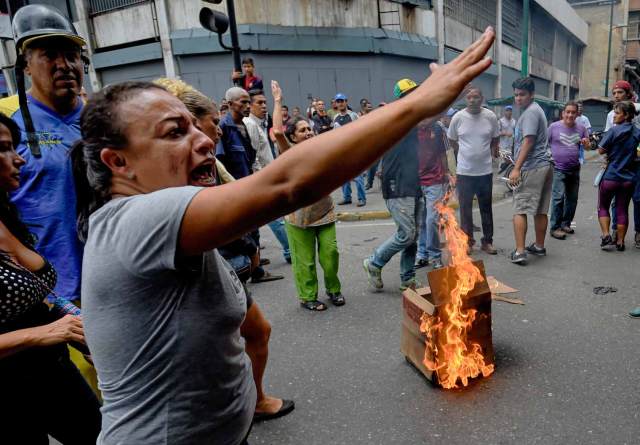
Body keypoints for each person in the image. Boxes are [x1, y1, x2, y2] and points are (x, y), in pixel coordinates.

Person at [71, 27, 494, 444]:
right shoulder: (132, 220)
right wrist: (418, 104)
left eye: (196, 127)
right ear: (118, 162)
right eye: (175, 132)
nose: (203, 140)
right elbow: (286, 185)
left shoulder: (173, 218)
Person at [154, 77, 295, 422]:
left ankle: (253, 400)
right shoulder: (162, 185)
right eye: (210, 123)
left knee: (255, 332)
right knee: (219, 349)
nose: (212, 135)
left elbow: (244, 196)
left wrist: (251, 244)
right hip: (202, 271)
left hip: (226, 262)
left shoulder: (212, 161)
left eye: (216, 125)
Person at [0, 112, 101, 444]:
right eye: (4, 148)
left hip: (51, 371)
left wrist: (79, 325)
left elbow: (43, 294)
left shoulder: (8, 217)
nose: (18, 158)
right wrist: (41, 333)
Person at [0, 4, 87, 302]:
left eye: (72, 56)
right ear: (25, 65)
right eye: (49, 55)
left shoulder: (101, 120)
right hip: (43, 291)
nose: (64, 65)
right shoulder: (5, 122)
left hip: (108, 280)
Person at [271, 82, 344, 311]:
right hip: (298, 217)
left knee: (330, 254)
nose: (308, 132)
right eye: (302, 130)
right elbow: (277, 132)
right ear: (293, 137)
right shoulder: (290, 154)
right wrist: (277, 101)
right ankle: (308, 296)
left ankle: (334, 290)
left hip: (325, 211)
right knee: (305, 261)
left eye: (309, 129)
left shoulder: (320, 151)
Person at [364, 78, 425, 291]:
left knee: (414, 235)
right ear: (401, 99)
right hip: (396, 185)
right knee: (407, 234)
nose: (415, 95)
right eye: (410, 93)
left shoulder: (413, 115)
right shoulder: (399, 117)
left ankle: (407, 279)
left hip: (414, 184)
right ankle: (375, 262)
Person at [217, 87, 283, 282]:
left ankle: (256, 269)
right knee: (245, 233)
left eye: (248, 102)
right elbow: (220, 165)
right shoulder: (224, 128)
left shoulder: (245, 127)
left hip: (248, 187)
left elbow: (250, 158)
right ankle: (250, 271)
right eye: (242, 102)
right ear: (230, 105)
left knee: (253, 229)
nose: (247, 106)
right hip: (235, 192)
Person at [447, 86, 499, 254]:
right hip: (464, 172)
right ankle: (467, 241)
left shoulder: (490, 117)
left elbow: (495, 138)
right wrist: (465, 153)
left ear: (482, 98)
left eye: (476, 97)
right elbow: (452, 141)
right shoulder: (458, 117)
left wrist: (485, 153)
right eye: (469, 97)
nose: (472, 100)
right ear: (466, 99)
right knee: (465, 209)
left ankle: (487, 241)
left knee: (486, 208)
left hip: (484, 171)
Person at [509, 77, 554, 265]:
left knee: (520, 209)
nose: (518, 99)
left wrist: (516, 168)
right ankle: (539, 245)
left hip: (532, 167)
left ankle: (520, 252)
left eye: (522, 95)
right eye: (516, 95)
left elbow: (529, 141)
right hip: (544, 165)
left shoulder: (530, 113)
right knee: (540, 210)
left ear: (532, 95)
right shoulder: (535, 111)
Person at [244, 89, 291, 263]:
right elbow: (254, 156)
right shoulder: (250, 124)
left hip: (269, 175)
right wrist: (264, 179)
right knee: (275, 218)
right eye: (260, 103)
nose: (264, 106)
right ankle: (290, 251)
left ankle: (254, 258)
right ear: (249, 106)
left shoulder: (261, 123)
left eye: (265, 103)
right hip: (264, 179)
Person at [596, 101, 640, 251]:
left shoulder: (613, 131)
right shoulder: (637, 132)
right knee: (622, 209)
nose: (614, 116)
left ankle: (606, 235)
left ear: (626, 115)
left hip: (611, 176)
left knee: (603, 206)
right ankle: (620, 242)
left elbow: (601, 150)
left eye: (617, 113)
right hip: (628, 178)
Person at [547, 101, 590, 240]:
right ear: (563, 113)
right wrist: (549, 157)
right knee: (558, 198)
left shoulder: (582, 128)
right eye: (568, 112)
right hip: (558, 168)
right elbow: (544, 144)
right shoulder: (553, 127)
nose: (570, 115)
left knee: (572, 199)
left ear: (577, 114)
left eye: (573, 112)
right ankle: (555, 227)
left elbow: (588, 147)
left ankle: (566, 223)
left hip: (574, 168)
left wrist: (587, 144)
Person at [415, 115, 450, 270]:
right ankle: (422, 255)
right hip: (416, 181)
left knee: (432, 220)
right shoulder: (410, 129)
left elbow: (444, 153)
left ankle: (435, 255)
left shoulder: (437, 127)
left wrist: (448, 172)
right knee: (421, 221)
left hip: (435, 180)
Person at [333, 93, 366, 206]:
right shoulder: (335, 118)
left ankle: (361, 198)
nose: (340, 103)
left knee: (358, 177)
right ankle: (347, 197)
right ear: (336, 104)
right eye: (338, 101)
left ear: (346, 102)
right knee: (343, 177)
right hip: (342, 151)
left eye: (342, 101)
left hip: (354, 150)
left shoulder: (353, 116)